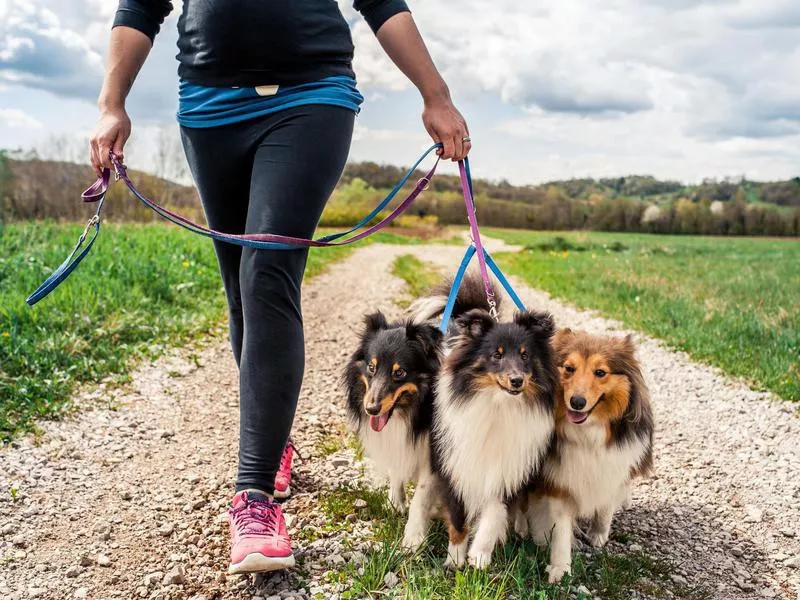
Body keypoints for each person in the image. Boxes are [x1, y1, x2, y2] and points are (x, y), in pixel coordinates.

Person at [91, 0, 471, 575]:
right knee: (240, 288)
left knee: (265, 270)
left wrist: (435, 95)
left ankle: (253, 499)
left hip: (311, 96)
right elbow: (140, 5)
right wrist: (110, 103)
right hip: (209, 105)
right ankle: (272, 443)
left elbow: (382, 2)